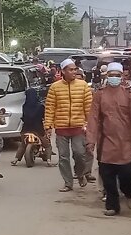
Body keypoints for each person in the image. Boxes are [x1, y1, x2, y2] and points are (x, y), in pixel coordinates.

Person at [86, 62, 131, 216]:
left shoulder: (130, 95)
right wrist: (90, 140)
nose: (114, 78)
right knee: (108, 178)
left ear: (122, 76)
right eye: (112, 75)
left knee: (127, 176)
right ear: (107, 76)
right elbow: (93, 118)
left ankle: (130, 194)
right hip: (106, 143)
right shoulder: (100, 94)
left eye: (117, 75)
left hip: (126, 143)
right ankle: (112, 206)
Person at [44, 59, 92, 192]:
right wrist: (48, 126)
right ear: (63, 71)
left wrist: (90, 125)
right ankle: (68, 182)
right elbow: (50, 108)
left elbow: (88, 107)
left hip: (78, 127)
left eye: (75, 69)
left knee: (80, 154)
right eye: (70, 70)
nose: (74, 72)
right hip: (61, 128)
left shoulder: (83, 86)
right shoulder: (55, 87)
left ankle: (80, 173)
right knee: (63, 157)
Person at [11, 88, 54, 167]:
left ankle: (16, 159)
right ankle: (48, 160)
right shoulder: (40, 106)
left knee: (23, 144)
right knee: (47, 145)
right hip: (38, 130)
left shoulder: (24, 106)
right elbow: (44, 117)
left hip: (25, 130)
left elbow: (24, 117)